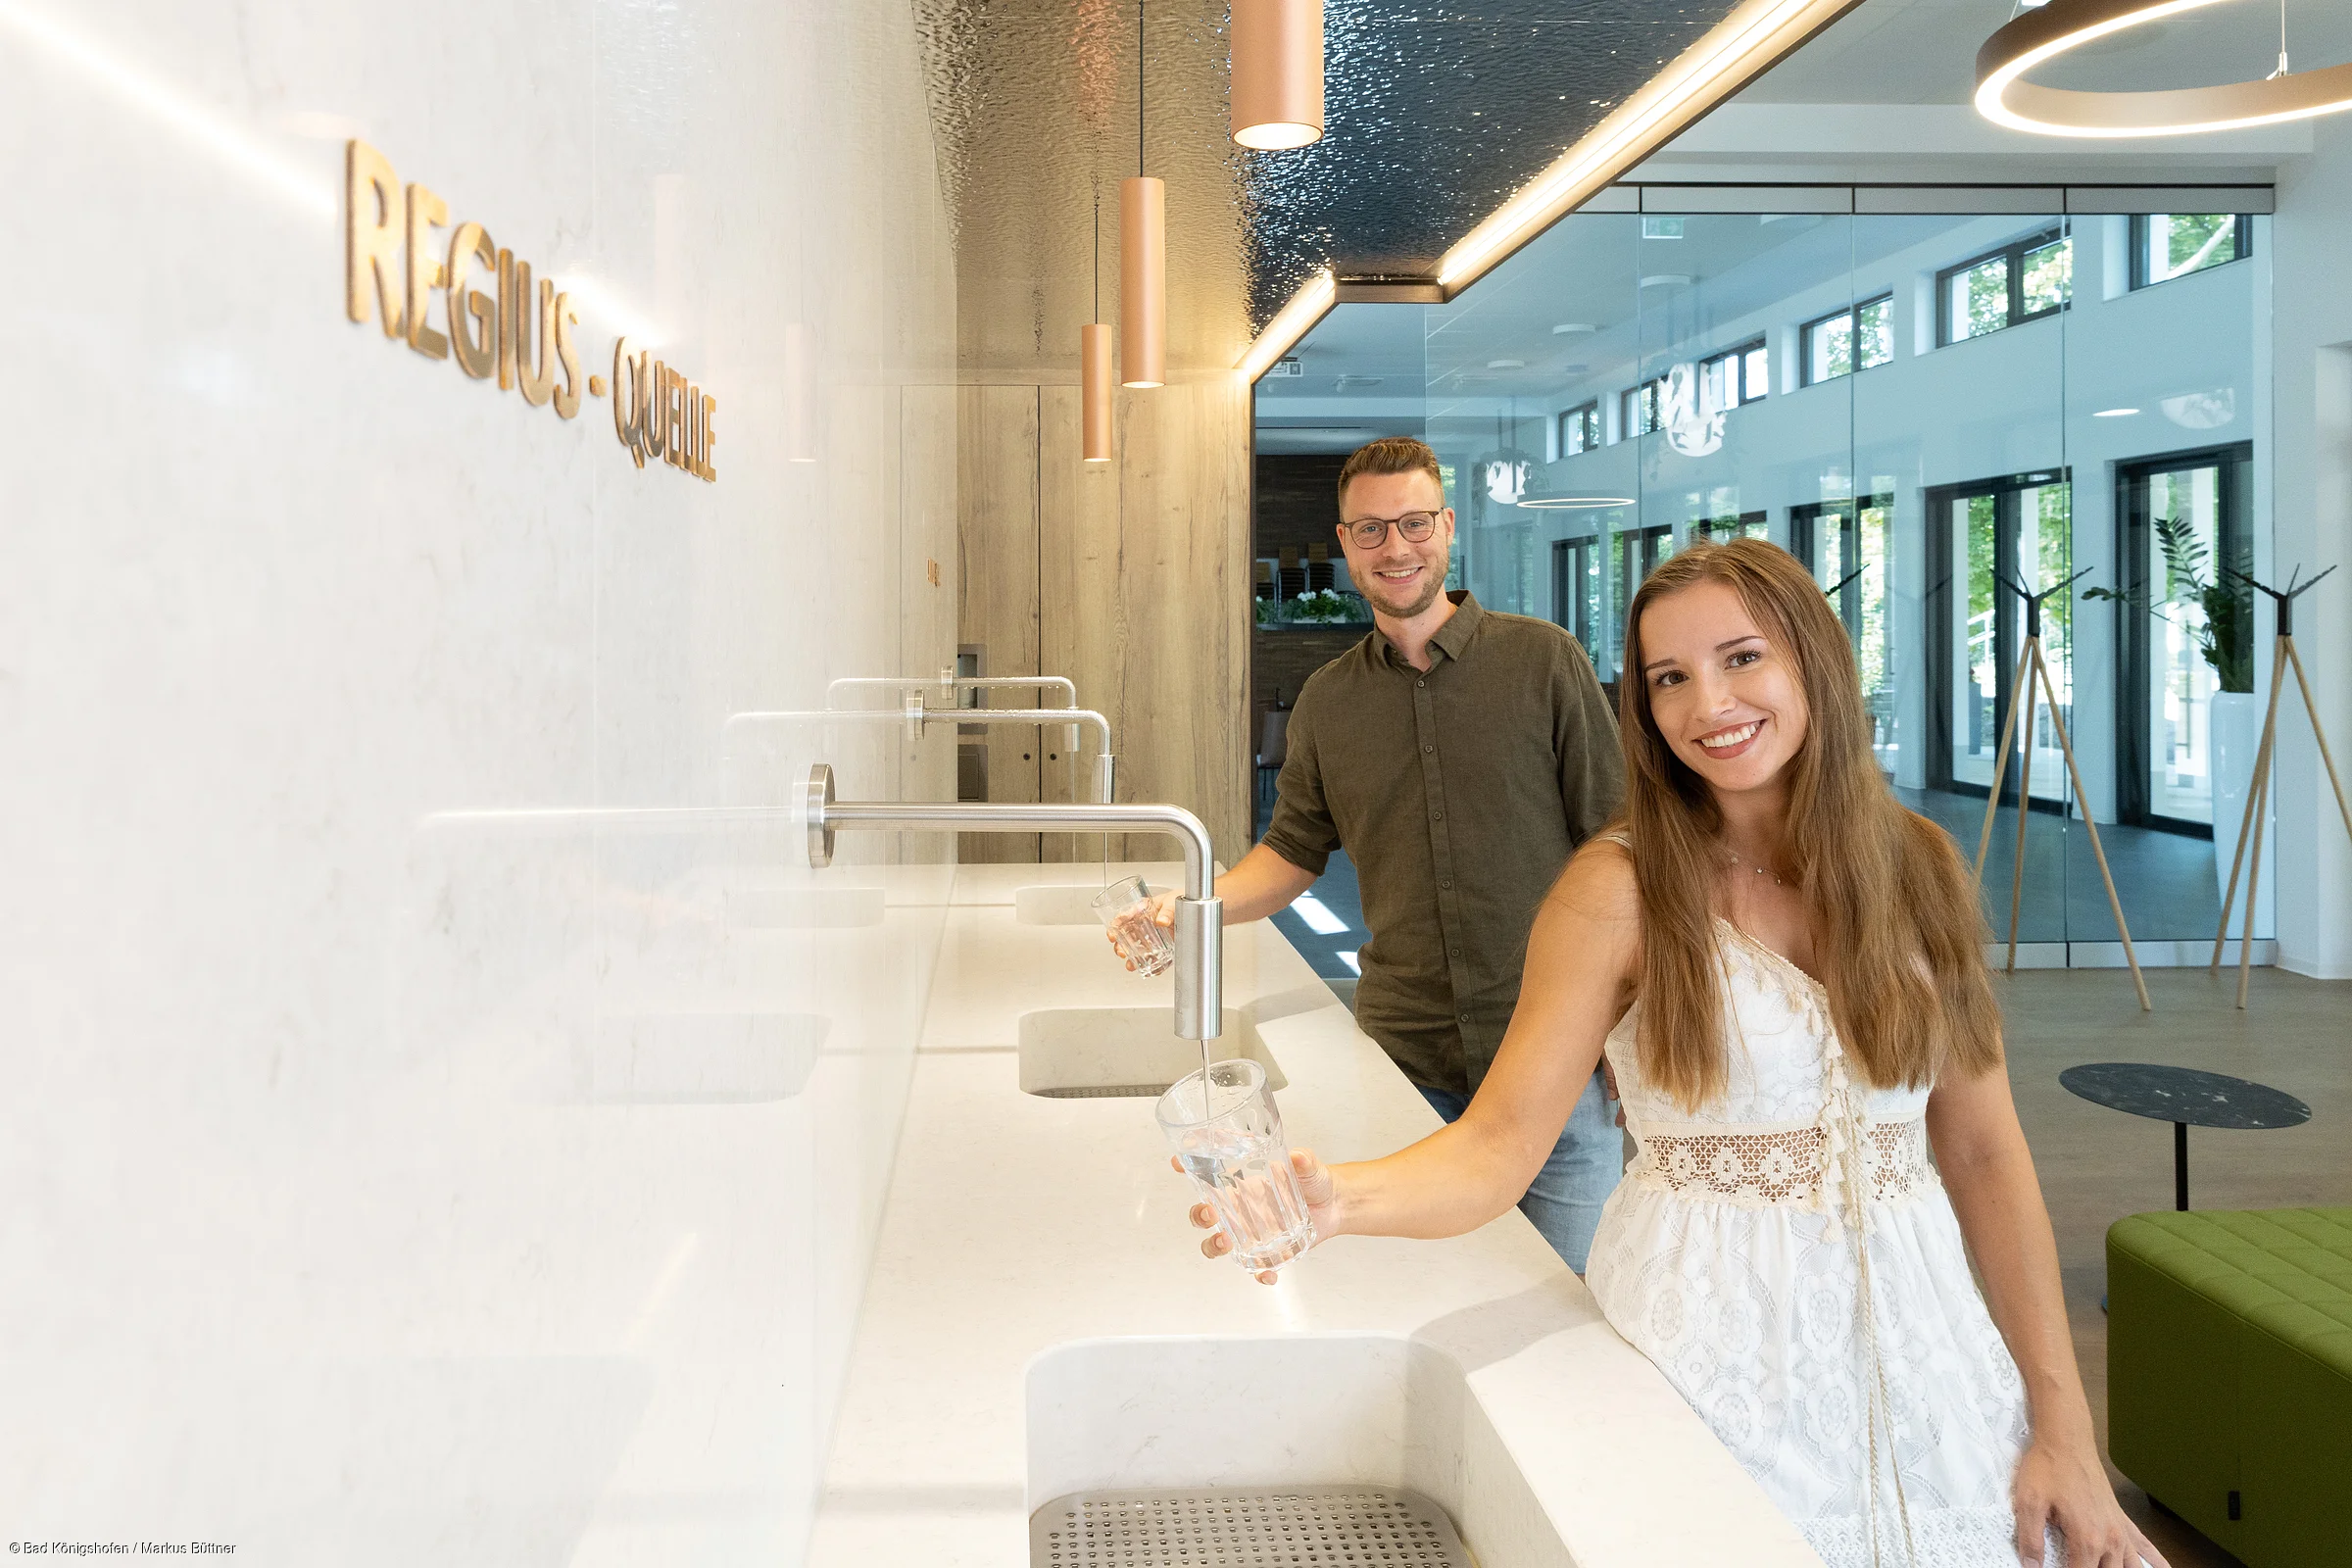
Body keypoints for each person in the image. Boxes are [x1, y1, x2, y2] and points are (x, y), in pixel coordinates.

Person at [1185, 538, 2167, 1568]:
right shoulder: (1616, 891)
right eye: (1670, 678)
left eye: (1743, 658)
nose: (1710, 704)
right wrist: (1335, 1200)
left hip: (1931, 1356)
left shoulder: (1917, 862)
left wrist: (2066, 1430)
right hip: (1705, 1353)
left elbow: (1982, 1153)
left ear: (1812, 659)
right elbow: (1495, 1147)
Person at [1129, 435, 1626, 1270]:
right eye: (1371, 530)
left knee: (1570, 1301)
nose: (1396, 547)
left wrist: (1634, 1016)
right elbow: (1291, 852)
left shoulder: (1543, 662)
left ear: (1448, 526)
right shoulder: (1328, 703)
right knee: (1419, 1298)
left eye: (1414, 523)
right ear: (1346, 544)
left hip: (1556, 1055)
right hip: (1408, 1057)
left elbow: (1621, 845)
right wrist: (1192, 913)